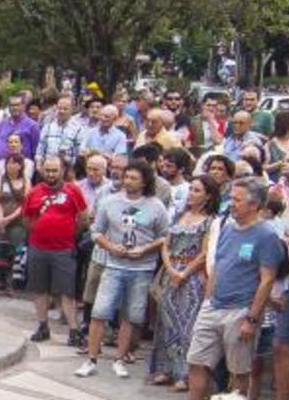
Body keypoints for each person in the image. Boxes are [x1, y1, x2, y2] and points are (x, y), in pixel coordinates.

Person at [166, 177, 287, 400]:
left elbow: (267, 280)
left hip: (240, 308)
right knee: (197, 360)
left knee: (239, 369)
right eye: (231, 198)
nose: (231, 204)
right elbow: (218, 265)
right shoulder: (228, 228)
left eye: (237, 200)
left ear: (254, 205)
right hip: (214, 305)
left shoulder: (266, 236)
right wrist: (208, 300)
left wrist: (253, 318)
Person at [77, 161, 167, 379]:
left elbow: (165, 236)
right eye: (126, 177)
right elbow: (96, 231)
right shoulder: (109, 202)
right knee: (99, 311)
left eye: (134, 178)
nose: (128, 181)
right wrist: (110, 246)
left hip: (142, 268)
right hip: (114, 264)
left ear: (145, 181)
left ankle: (119, 358)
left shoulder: (156, 206)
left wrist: (145, 248)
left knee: (131, 315)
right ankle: (91, 358)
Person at [149, 176, 219, 388]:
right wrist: (170, 268)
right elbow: (166, 244)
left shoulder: (210, 221)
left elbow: (205, 252)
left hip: (193, 277)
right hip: (172, 272)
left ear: (208, 196)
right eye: (191, 190)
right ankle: (165, 368)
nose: (191, 194)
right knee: (166, 322)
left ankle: (184, 374)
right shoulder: (180, 215)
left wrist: (185, 272)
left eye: (197, 191)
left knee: (187, 325)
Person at [21, 156, 87, 343]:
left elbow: (83, 217)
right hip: (38, 248)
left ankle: (74, 331)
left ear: (62, 171)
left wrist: (69, 233)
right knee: (40, 290)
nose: (51, 174)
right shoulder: (34, 192)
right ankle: (43, 327)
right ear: (42, 170)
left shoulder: (73, 190)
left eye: (54, 170)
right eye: (47, 170)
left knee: (67, 292)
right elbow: (26, 219)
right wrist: (40, 230)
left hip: (64, 249)